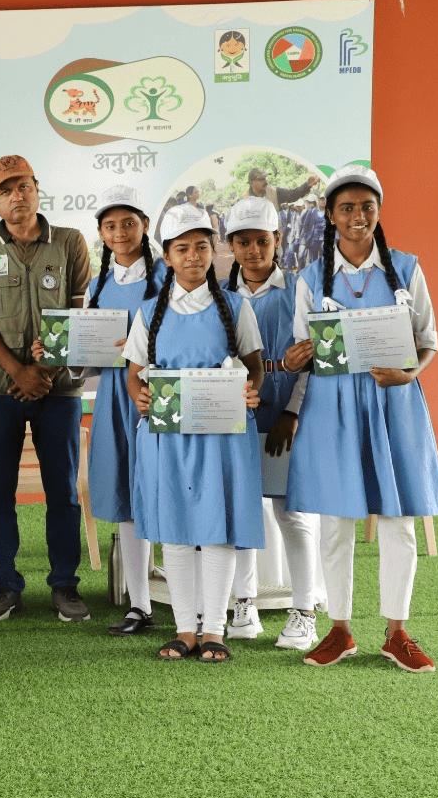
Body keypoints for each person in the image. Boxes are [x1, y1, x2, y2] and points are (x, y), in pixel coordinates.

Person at [283, 165, 438, 672]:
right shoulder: (310, 278)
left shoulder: (407, 268)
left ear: (379, 211)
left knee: (398, 520)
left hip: (394, 405)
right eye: (346, 208)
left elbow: (428, 341)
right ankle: (340, 630)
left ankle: (397, 632)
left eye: (366, 207)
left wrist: (408, 374)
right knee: (335, 521)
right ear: (330, 215)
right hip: (332, 409)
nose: (357, 216)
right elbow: (301, 350)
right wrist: (294, 358)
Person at [124, 204, 265, 663]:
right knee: (177, 532)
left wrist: (251, 390)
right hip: (167, 437)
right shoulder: (150, 312)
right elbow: (133, 373)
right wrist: (140, 397)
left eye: (201, 247)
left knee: (218, 530)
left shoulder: (236, 307)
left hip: (223, 436)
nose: (192, 256)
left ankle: (215, 630)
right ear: (166, 256)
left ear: (214, 251)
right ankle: (185, 630)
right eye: (182, 249)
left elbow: (256, 367)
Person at [0, 155, 91, 623]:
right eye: (5, 190)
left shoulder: (71, 242)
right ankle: (5, 584)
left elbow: (79, 312)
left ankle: (65, 585)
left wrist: (46, 371)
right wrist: (18, 371)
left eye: (23, 186)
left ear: (37, 188)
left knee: (63, 490)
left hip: (59, 390)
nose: (16, 196)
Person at [221, 196, 325, 652]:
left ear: (277, 240)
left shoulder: (299, 288)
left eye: (262, 241)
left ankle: (305, 611)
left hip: (284, 415)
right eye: (243, 242)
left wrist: (292, 412)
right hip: (234, 417)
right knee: (242, 511)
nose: (253, 250)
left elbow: (312, 359)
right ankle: (243, 603)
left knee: (291, 513)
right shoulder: (220, 296)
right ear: (231, 245)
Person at [76, 185, 162, 635]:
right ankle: (140, 604)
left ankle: (198, 604)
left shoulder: (169, 276)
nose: (120, 232)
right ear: (101, 233)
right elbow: (89, 361)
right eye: (110, 225)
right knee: (129, 498)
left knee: (168, 491)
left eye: (129, 223)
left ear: (144, 225)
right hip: (114, 397)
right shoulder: (97, 286)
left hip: (157, 396)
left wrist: (139, 348)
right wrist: (65, 351)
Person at [248, 167, 319, 209]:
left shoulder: (275, 193)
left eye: (265, 178)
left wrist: (307, 185)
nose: (265, 181)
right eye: (261, 179)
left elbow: (293, 194)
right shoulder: (244, 201)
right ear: (251, 182)